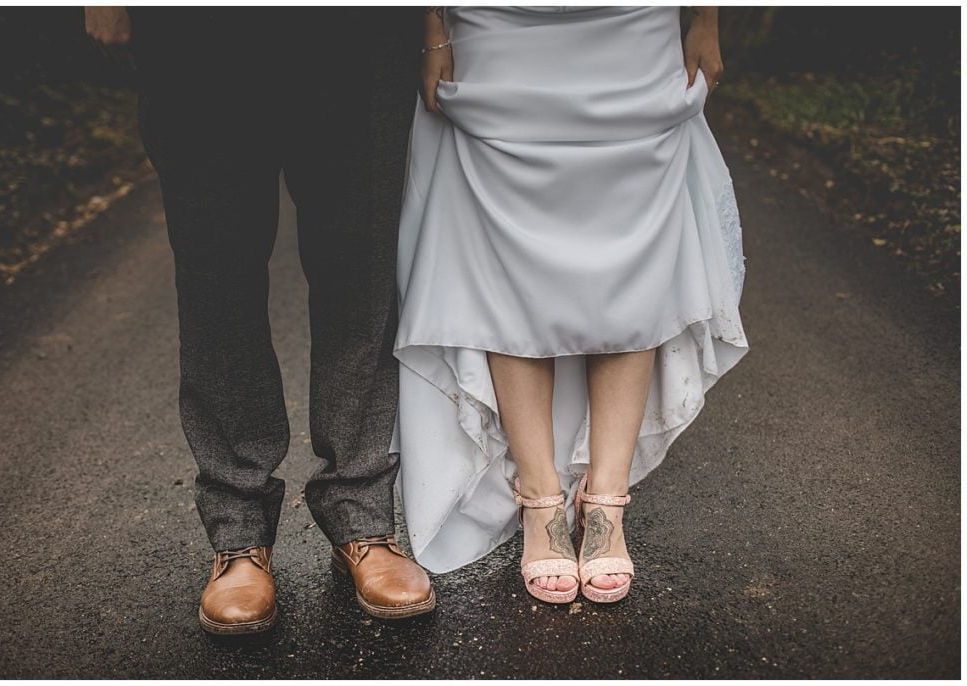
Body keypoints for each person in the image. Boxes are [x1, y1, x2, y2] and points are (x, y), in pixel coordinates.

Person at [84, 6, 436, 632]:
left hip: (359, 26)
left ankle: (362, 516)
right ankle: (239, 532)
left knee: (360, 267)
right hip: (197, 27)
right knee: (216, 273)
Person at [393, 6, 749, 604]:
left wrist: (705, 18)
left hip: (631, 25)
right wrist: (433, 29)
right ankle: (540, 500)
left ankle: (606, 502)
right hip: (500, 26)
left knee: (631, 256)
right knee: (510, 264)